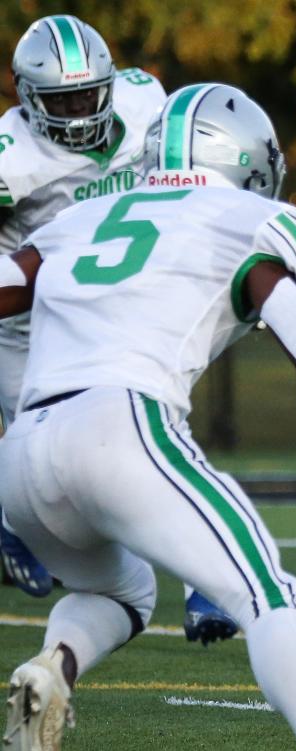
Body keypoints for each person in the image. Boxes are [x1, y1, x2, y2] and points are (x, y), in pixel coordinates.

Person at [0, 83, 296, 751]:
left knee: (122, 591)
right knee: (273, 601)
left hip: (24, 454)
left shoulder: (83, 216)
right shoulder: (248, 215)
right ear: (246, 158)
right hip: (123, 423)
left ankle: (54, 667)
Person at [0, 14, 237, 645]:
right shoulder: (10, 156)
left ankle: (203, 581)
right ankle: (12, 522)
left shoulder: (143, 97)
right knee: (38, 450)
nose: (80, 110)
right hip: (25, 320)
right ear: (27, 99)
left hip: (113, 304)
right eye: (62, 99)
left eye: (87, 93)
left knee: (155, 423)